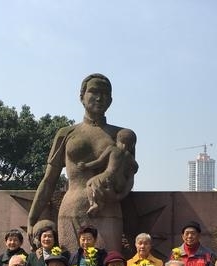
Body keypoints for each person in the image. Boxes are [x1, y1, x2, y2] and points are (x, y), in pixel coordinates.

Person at [27, 73, 137, 252]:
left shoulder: (123, 136)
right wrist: (32, 218)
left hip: (107, 210)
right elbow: (49, 180)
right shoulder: (66, 133)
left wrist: (115, 196)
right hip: (71, 209)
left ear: (110, 100)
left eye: (105, 94)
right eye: (94, 91)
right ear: (82, 97)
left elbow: (128, 179)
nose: (99, 97)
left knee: (108, 263)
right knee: (70, 263)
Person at [79, 129, 139, 216]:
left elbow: (99, 162)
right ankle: (101, 203)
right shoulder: (130, 157)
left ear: (118, 140)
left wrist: (85, 166)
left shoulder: (112, 149)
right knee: (103, 189)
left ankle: (93, 203)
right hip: (120, 183)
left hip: (109, 176)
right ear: (132, 145)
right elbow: (136, 167)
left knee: (89, 184)